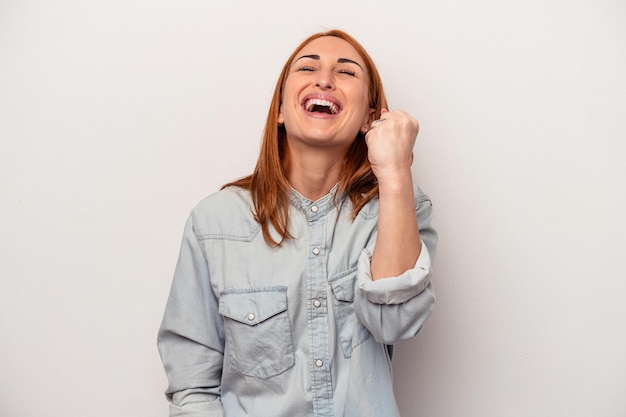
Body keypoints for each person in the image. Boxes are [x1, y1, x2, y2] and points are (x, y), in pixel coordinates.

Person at [157, 29, 437, 417]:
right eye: (307, 67)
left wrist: (394, 170)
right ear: (281, 111)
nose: (324, 79)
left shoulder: (401, 204)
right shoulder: (213, 223)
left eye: (347, 72)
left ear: (370, 120)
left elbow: (395, 322)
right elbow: (193, 385)